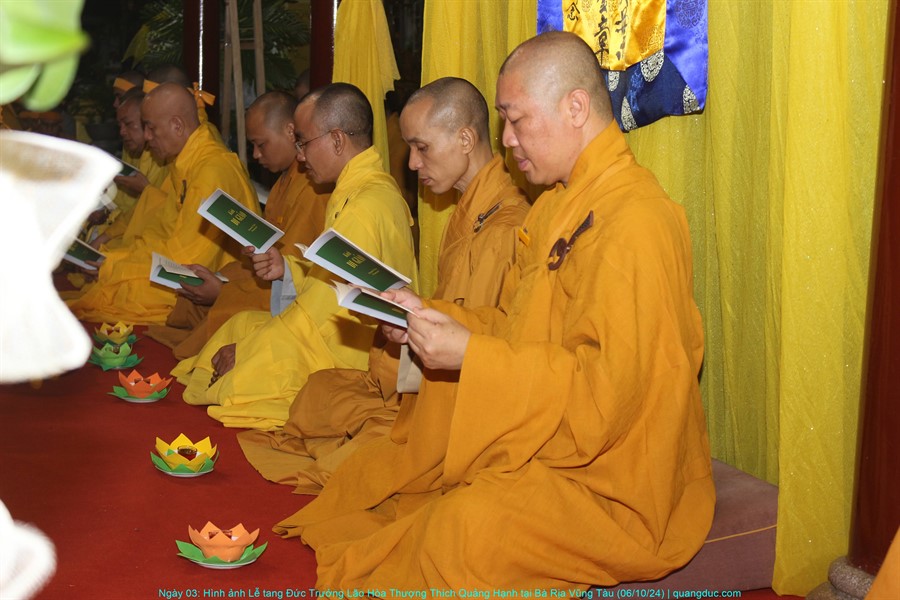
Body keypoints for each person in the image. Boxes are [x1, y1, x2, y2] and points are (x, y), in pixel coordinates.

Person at [274, 31, 715, 590]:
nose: (505, 140)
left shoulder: (638, 221)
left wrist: (473, 356)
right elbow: (517, 327)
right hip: (544, 434)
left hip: (616, 477)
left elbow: (612, 397)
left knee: (461, 531)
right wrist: (431, 317)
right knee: (408, 495)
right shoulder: (555, 206)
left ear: (575, 107)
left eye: (516, 120)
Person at [236, 77, 530, 492]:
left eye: (422, 148)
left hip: (461, 405)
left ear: (465, 139)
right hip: (418, 377)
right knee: (320, 394)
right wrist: (404, 321)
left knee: (362, 458)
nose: (411, 164)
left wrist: (419, 324)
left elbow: (490, 343)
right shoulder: (467, 215)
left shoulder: (507, 228)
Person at [172, 83, 418, 431]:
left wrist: (251, 348)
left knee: (239, 379)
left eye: (303, 142)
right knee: (241, 326)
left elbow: (323, 309)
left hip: (350, 351)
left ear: (336, 140)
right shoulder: (357, 188)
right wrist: (285, 269)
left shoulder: (363, 205)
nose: (300, 156)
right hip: (327, 328)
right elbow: (331, 282)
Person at [146, 91, 331, 359]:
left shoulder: (311, 189)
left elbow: (291, 271)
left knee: (227, 302)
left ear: (291, 132)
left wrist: (222, 291)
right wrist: (226, 276)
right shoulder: (284, 182)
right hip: (270, 276)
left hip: (291, 291)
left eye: (261, 144)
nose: (255, 155)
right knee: (212, 282)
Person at [65, 83, 259, 325]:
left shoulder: (211, 172)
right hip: (179, 261)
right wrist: (117, 257)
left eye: (151, 128)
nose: (147, 137)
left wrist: (116, 265)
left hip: (208, 278)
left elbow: (186, 262)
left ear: (177, 125)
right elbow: (160, 227)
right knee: (113, 275)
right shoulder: (188, 160)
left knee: (123, 292)